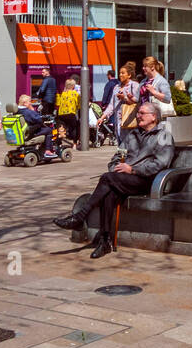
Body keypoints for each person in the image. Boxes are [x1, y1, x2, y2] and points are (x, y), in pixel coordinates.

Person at [53, 103, 175, 255]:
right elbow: (117, 156)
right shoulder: (132, 135)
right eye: (138, 112)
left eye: (142, 113)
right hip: (122, 179)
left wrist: (133, 170)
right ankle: (105, 241)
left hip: (146, 180)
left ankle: (80, 217)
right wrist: (116, 168)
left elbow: (161, 164)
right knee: (109, 192)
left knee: (107, 179)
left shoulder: (163, 136)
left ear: (154, 117)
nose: (138, 115)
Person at [95, 62, 139, 146]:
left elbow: (137, 102)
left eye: (123, 73)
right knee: (121, 146)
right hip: (118, 121)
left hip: (130, 119)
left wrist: (124, 98)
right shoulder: (116, 87)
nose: (120, 75)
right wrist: (102, 118)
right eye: (119, 73)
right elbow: (112, 105)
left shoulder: (134, 85)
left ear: (129, 75)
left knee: (130, 146)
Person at [15, 93, 59, 159]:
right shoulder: (28, 112)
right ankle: (47, 151)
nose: (30, 103)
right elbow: (38, 119)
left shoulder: (16, 112)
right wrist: (32, 110)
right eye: (29, 102)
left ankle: (43, 148)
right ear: (24, 103)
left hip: (21, 133)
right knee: (49, 131)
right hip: (30, 133)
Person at [57, 78, 81, 143]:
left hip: (61, 114)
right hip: (71, 114)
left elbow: (58, 104)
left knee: (61, 128)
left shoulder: (63, 94)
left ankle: (59, 143)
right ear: (73, 86)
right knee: (75, 128)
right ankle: (75, 144)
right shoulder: (75, 94)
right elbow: (79, 105)